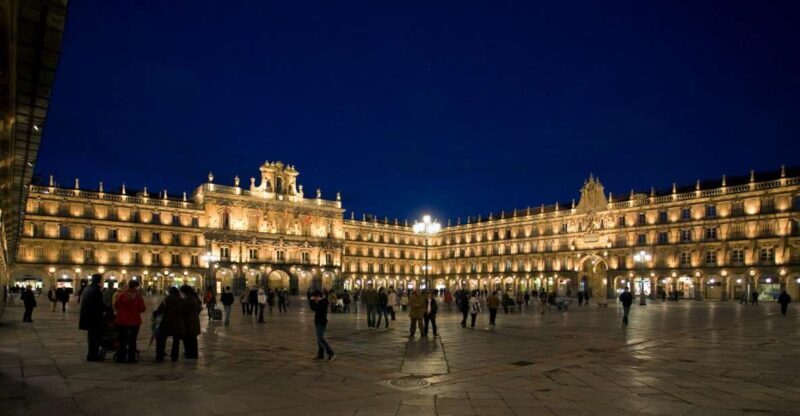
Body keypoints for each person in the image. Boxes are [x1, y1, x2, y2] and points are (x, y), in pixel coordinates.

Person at [114, 280, 146, 363]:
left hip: (122, 320)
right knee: (132, 340)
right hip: (134, 321)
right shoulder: (138, 296)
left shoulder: (122, 294)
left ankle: (121, 357)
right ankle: (131, 358)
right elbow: (142, 309)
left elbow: (116, 305)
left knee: (122, 340)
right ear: (136, 286)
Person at [79, 274, 107, 361]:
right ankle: (93, 356)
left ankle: (91, 355)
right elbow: (99, 305)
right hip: (95, 318)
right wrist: (110, 309)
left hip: (87, 317)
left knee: (91, 337)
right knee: (95, 338)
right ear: (99, 280)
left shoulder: (87, 288)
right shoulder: (96, 290)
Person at [154, 287, 185, 362]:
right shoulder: (181, 300)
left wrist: (155, 314)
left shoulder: (167, 299)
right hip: (177, 322)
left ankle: (160, 356)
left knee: (161, 339)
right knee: (176, 340)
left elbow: (160, 310)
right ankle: (174, 356)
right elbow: (184, 311)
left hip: (166, 321)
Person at [308, 290, 335, 361]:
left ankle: (331, 353)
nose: (313, 298)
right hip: (318, 322)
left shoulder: (323, 302)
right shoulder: (321, 302)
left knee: (321, 339)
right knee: (319, 339)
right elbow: (314, 308)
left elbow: (315, 308)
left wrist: (312, 301)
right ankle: (320, 354)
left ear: (318, 297)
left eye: (314, 297)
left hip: (321, 322)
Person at [180, 285, 202, 359]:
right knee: (193, 339)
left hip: (189, 321)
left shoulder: (188, 299)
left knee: (188, 338)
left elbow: (184, 310)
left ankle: (189, 354)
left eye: (182, 292)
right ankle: (193, 354)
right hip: (194, 320)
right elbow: (199, 309)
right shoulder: (194, 297)